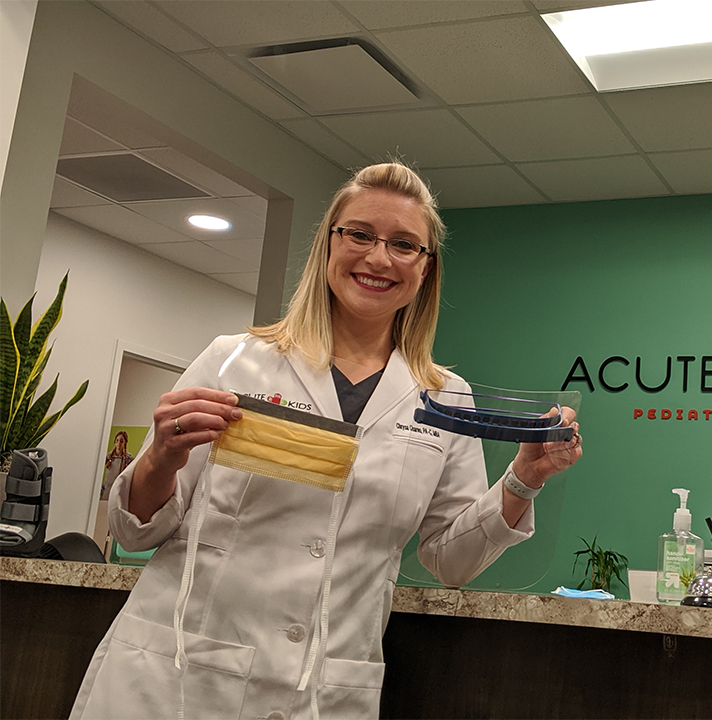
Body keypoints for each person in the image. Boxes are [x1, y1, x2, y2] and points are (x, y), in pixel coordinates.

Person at [71, 162, 582, 719]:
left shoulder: (445, 397)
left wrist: (524, 478)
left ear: (426, 268)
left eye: (404, 244)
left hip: (325, 688)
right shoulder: (234, 361)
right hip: (180, 678)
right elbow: (133, 529)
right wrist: (162, 459)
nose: (379, 258)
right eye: (360, 233)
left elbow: (449, 561)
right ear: (329, 244)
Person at [100, 430, 133, 500]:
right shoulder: (108, 456)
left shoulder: (128, 458)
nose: (118, 443)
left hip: (120, 487)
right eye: (117, 440)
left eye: (121, 441)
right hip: (107, 486)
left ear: (125, 442)